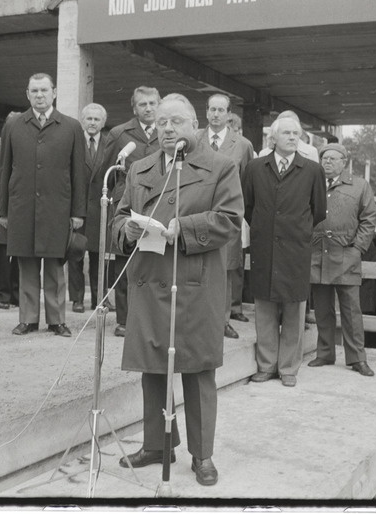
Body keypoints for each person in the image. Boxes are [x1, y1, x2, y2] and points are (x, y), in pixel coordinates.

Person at [112, 93, 243, 487]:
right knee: (152, 369)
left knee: (198, 371)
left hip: (195, 284)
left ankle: (202, 455)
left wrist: (182, 228)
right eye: (163, 123)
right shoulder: (140, 168)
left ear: (194, 126)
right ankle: (157, 444)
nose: (168, 129)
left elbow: (231, 220)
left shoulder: (220, 167)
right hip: (148, 281)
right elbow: (118, 215)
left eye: (177, 122)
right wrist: (126, 230)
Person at [0, 73, 87, 337]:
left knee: (54, 266)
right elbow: (5, 171)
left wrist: (78, 212)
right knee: (26, 264)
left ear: (54, 92)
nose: (39, 95)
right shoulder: (13, 125)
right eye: (34, 91)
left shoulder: (71, 127)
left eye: (44, 90)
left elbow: (78, 174)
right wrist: (3, 210)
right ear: (27, 94)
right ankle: (28, 319)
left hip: (57, 207)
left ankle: (57, 320)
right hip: (22, 206)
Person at [242, 116, 327, 387]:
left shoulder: (313, 170)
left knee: (294, 309)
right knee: (264, 307)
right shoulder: (255, 168)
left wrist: (295, 230)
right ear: (273, 138)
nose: (293, 137)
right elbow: (248, 207)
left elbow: (319, 210)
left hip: (296, 249)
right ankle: (266, 366)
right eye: (287, 133)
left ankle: (289, 368)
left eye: (296, 134)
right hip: (264, 247)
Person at [308, 143, 376, 376]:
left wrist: (357, 249)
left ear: (344, 162)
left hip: (346, 254)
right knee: (322, 309)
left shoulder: (359, 186)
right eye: (324, 158)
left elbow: (368, 219)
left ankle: (357, 358)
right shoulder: (312, 183)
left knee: (351, 310)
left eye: (333, 159)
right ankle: (325, 353)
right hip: (317, 254)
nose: (327, 162)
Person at [103, 86, 161, 337]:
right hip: (129, 205)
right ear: (134, 108)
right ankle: (124, 321)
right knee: (125, 266)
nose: (148, 108)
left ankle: (152, 318)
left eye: (152, 103)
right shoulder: (120, 134)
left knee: (156, 264)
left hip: (159, 206)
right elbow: (106, 175)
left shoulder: (168, 132)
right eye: (142, 105)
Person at [195, 93, 254, 339]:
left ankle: (222, 321)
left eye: (221, 110)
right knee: (195, 267)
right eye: (212, 110)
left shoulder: (242, 145)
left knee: (226, 270)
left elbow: (248, 183)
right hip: (197, 213)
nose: (216, 114)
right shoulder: (193, 139)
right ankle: (196, 320)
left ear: (229, 114)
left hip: (227, 216)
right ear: (206, 112)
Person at [68, 103, 112, 313]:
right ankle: (77, 299)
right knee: (76, 254)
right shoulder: (74, 142)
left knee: (98, 258)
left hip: (100, 210)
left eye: (97, 119)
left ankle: (99, 298)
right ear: (82, 121)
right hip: (78, 209)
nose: (92, 123)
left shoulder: (110, 143)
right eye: (89, 119)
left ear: (102, 123)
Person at [0, 136, 19, 309]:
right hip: (2, 203)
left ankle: (16, 295)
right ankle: (2, 295)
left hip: (20, 205)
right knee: (1, 253)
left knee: (20, 254)